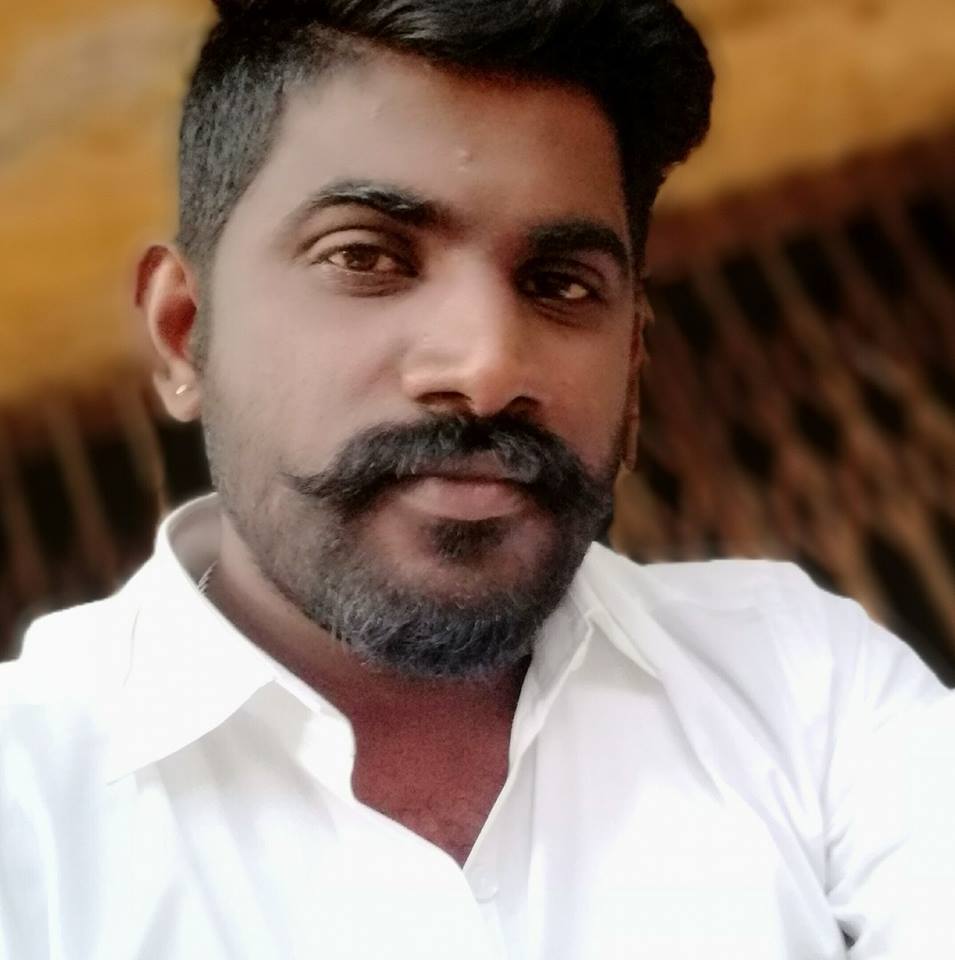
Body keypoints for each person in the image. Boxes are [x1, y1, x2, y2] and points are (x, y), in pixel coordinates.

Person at [2, 0, 953, 956]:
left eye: (560, 283)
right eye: (365, 256)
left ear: (632, 363)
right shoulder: (29, 801)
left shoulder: (801, 685)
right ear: (184, 333)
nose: (488, 367)